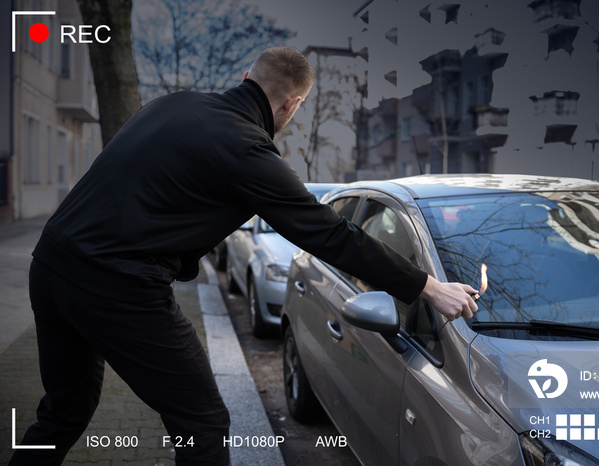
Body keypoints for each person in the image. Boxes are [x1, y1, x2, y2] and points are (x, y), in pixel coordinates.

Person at [10, 47, 478, 465]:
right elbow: (330, 234)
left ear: (246, 74)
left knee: (63, 411)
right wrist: (429, 287)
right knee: (203, 422)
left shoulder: (174, 103)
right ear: (291, 105)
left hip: (50, 262)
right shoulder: (247, 150)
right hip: (117, 284)